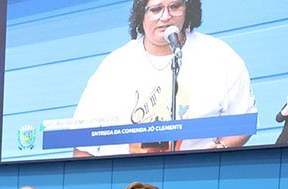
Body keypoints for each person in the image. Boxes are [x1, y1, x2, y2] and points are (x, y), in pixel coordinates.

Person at [72, 0, 256, 157]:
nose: (166, 16)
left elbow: (244, 121)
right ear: (141, 14)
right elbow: (82, 144)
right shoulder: (114, 66)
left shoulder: (219, 56)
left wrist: (219, 150)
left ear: (188, 8)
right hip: (126, 181)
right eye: (156, 9)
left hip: (195, 175)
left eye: (175, 7)